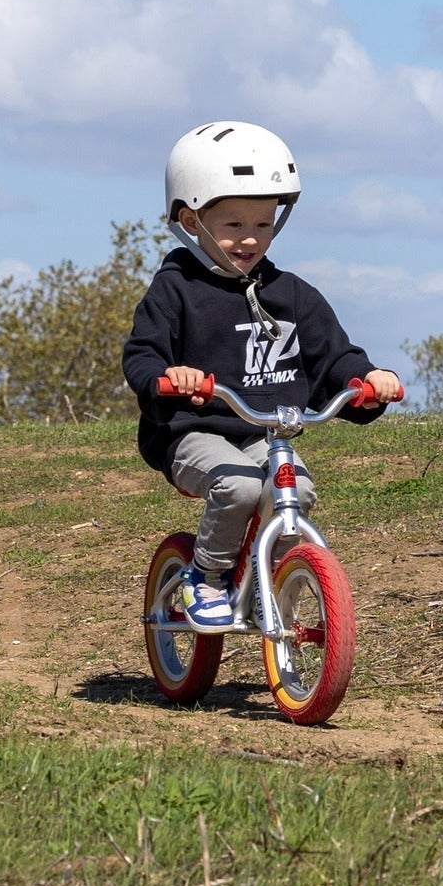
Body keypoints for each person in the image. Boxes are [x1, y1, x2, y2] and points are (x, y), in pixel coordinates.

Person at [121, 122, 404, 630]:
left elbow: (333, 356)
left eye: (264, 224)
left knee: (296, 491)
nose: (250, 238)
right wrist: (167, 377)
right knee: (240, 488)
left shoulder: (291, 294)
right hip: (192, 430)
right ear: (191, 220)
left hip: (263, 432)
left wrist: (367, 379)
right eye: (231, 225)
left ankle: (268, 584)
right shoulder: (177, 290)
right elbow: (142, 355)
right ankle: (205, 578)